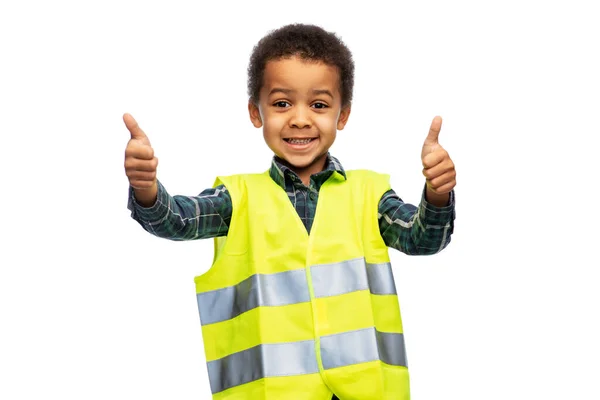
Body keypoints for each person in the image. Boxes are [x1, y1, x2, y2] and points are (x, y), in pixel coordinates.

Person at [125, 23, 456, 400]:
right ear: (256, 112)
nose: (300, 118)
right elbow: (176, 220)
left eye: (319, 104)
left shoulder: (370, 193)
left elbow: (422, 239)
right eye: (282, 103)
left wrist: (437, 193)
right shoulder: (236, 197)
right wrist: (146, 188)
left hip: (365, 390)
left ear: (342, 115)